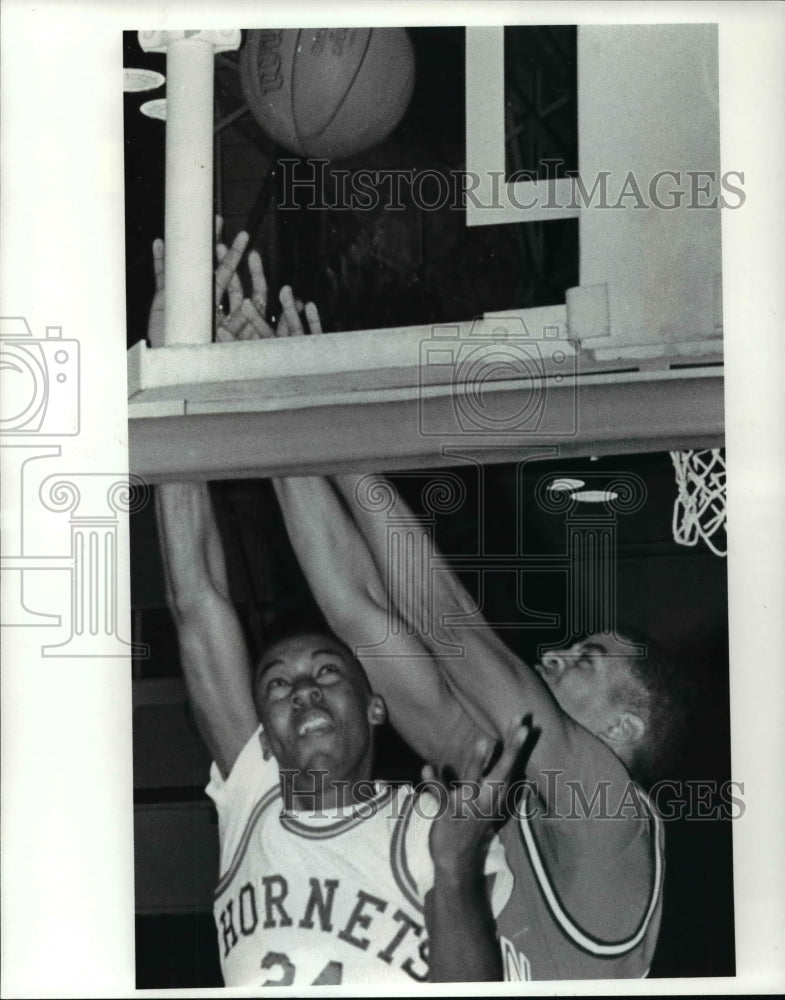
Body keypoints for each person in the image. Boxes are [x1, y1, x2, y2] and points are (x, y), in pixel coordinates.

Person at [151, 237, 529, 987]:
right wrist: (173, 380)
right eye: (277, 686)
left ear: (378, 706)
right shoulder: (254, 796)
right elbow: (196, 601)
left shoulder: (443, 823)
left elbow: (365, 606)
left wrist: (452, 870)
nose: (300, 691)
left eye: (327, 673)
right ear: (261, 725)